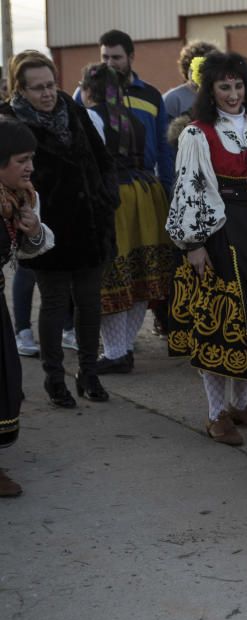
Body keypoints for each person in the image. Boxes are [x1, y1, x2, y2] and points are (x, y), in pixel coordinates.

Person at [166, 51, 247, 446]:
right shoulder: (197, 133)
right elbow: (190, 190)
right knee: (223, 327)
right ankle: (216, 413)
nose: (233, 93)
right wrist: (194, 244)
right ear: (210, 90)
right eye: (224, 86)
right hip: (223, 236)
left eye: (238, 85)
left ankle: (243, 404)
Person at [1, 51, 118, 408]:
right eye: (38, 88)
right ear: (21, 89)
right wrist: (27, 216)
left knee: (89, 303)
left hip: (91, 223)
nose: (48, 94)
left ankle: (88, 373)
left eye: (51, 85)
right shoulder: (10, 121)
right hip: (46, 228)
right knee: (53, 304)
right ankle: (55, 379)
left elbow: (101, 157)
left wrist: (107, 197)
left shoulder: (71, 106)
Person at [79, 63, 173, 374]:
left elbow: (90, 164)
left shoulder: (92, 116)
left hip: (116, 198)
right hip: (145, 195)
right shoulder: (131, 117)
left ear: (89, 91)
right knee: (137, 278)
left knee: (113, 277)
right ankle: (123, 348)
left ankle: (117, 351)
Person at [0, 118, 56, 497]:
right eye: (21, 160)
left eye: (31, 158)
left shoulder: (20, 199)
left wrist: (32, 228)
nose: (29, 167)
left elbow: (28, 251)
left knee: (5, 381)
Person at [78, 30, 174, 193]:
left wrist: (166, 185)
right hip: (106, 185)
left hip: (145, 184)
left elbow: (164, 146)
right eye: (105, 57)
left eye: (116, 57)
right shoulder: (86, 93)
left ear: (131, 57)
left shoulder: (151, 95)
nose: (109, 63)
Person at [163, 41, 218, 122]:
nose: (199, 73)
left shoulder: (219, 95)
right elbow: (165, 131)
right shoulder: (173, 98)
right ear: (187, 68)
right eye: (195, 68)